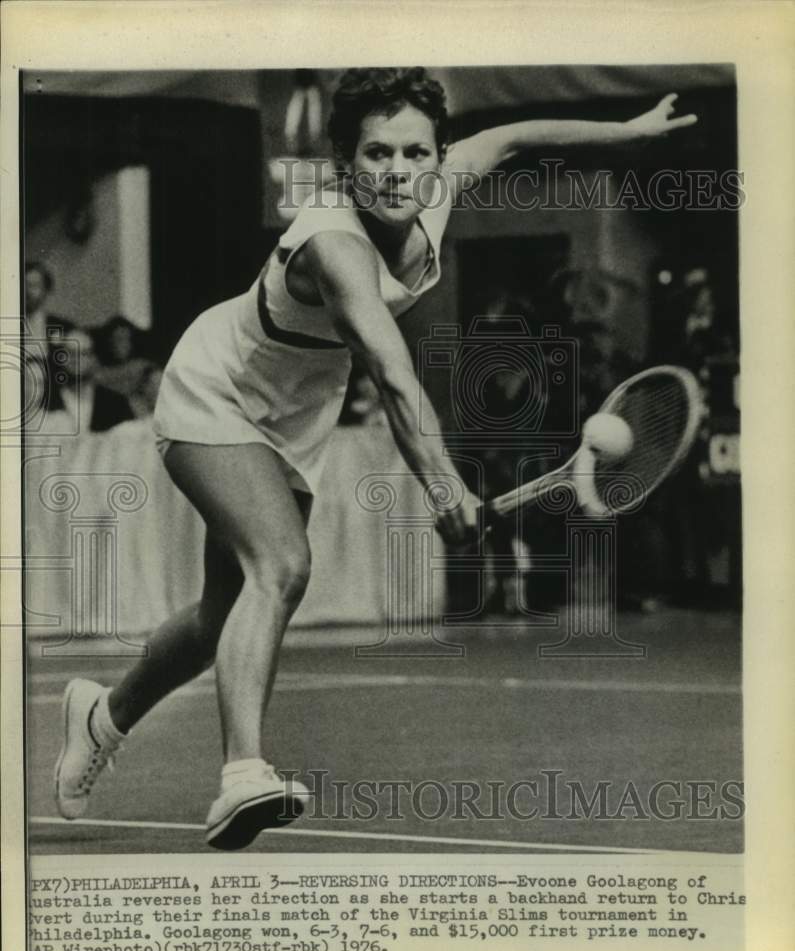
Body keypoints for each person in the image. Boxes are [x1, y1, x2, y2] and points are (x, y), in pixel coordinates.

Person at [54, 67, 697, 850]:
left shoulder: (436, 184)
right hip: (215, 388)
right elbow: (392, 375)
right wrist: (443, 485)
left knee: (220, 615)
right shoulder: (334, 245)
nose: (397, 172)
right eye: (376, 155)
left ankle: (103, 717)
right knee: (281, 567)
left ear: (435, 155)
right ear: (343, 163)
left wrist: (628, 133)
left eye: (414, 153)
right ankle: (242, 775)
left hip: (297, 407)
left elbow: (514, 135)